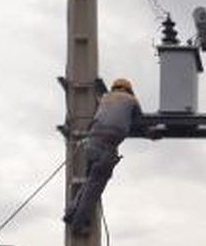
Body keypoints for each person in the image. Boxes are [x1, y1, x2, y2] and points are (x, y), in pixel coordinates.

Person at [63, 77, 146, 234]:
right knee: (93, 189)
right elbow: (141, 124)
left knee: (89, 181)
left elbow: (95, 121)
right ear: (128, 89)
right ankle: (78, 225)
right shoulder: (132, 100)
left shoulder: (105, 99)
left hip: (91, 145)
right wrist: (152, 134)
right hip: (107, 148)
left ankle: (71, 211)